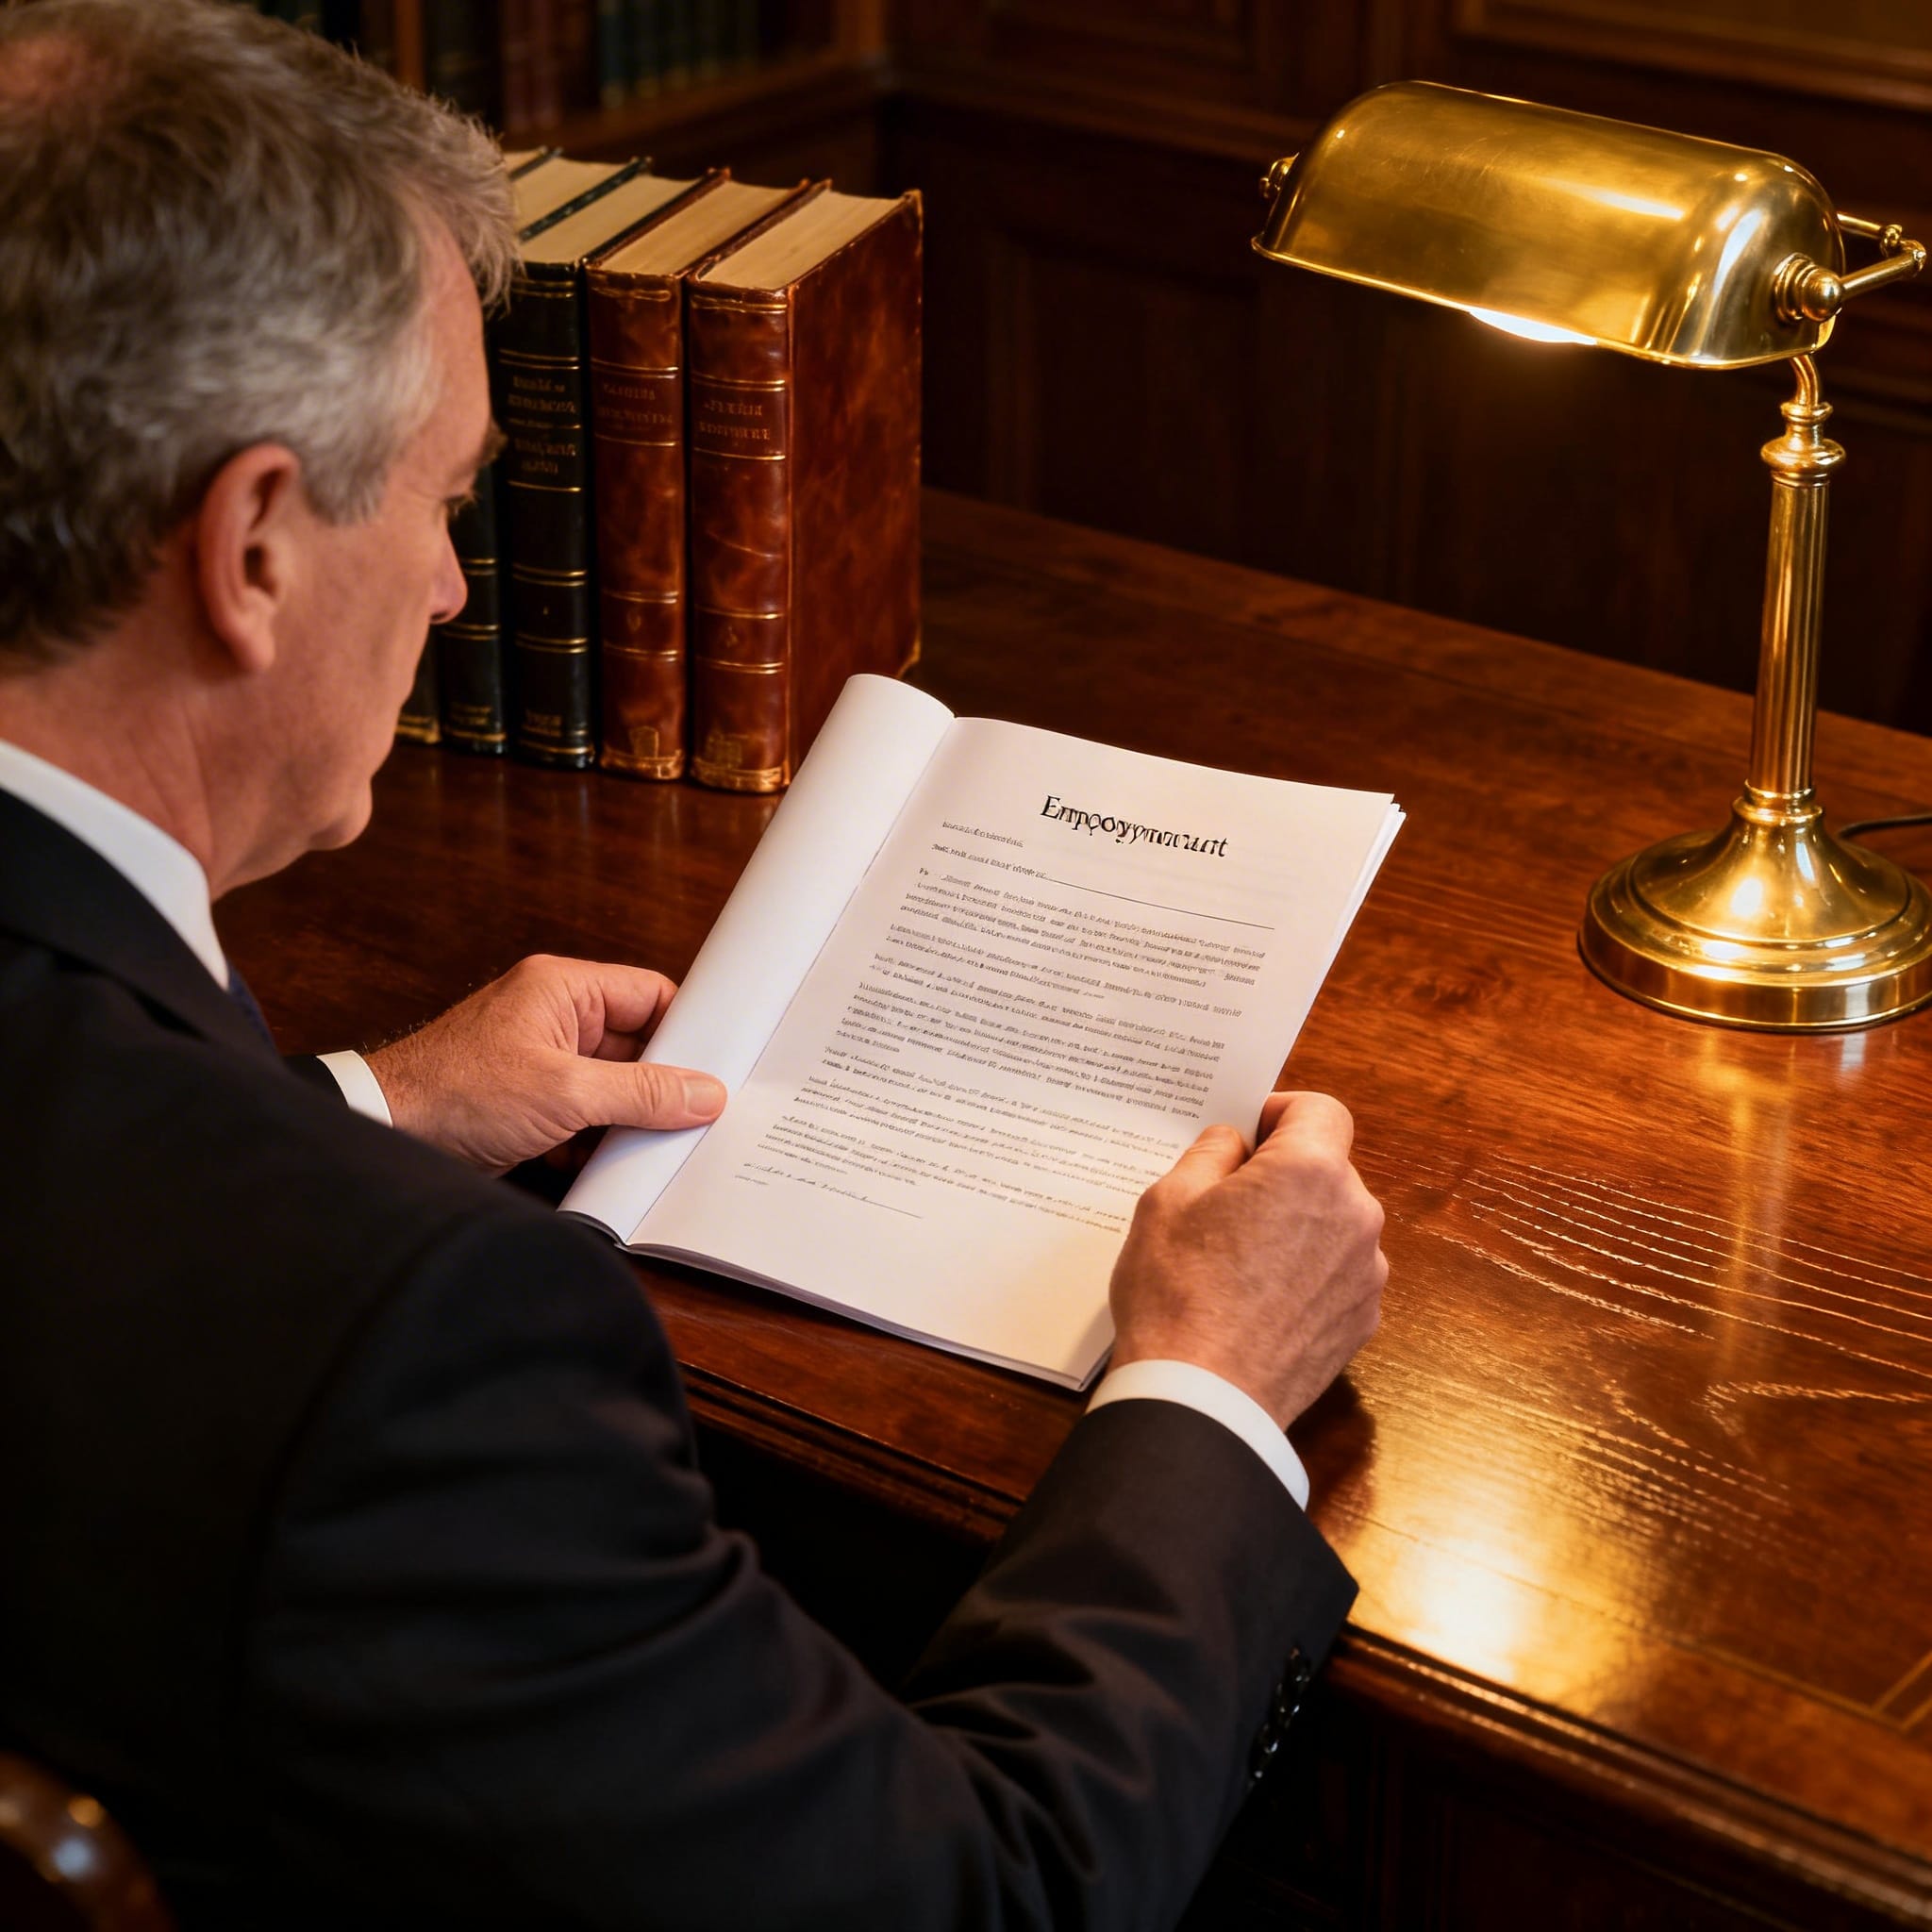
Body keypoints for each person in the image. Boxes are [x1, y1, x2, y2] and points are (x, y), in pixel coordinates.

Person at [0, 3, 1388, 1925]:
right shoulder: (412, 1344)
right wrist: (1209, 1391)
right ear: (248, 548)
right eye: (444, 499)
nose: (457, 587)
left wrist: (369, 1104)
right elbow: (988, 1901)